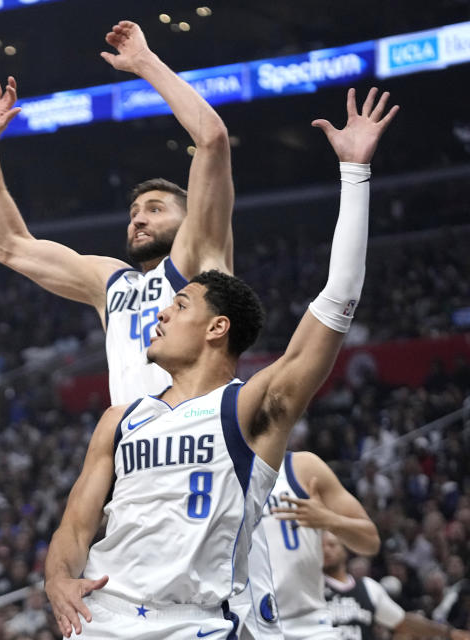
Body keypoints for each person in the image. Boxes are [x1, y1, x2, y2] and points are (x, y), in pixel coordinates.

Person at [43, 87, 398, 639]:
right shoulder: (120, 419)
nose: (160, 315)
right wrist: (57, 577)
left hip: (196, 623)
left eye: (178, 305)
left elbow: (338, 296)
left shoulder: (251, 409)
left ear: (217, 327)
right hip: (101, 620)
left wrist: (354, 173)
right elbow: (75, 525)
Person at [0, 20, 280, 638]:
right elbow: (11, 246)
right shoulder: (111, 282)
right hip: (136, 452)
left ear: (192, 218)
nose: (140, 218)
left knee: (228, 607)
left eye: (156, 208)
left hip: (206, 453)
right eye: (135, 210)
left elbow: (213, 139)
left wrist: (146, 64)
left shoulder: (200, 259)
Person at [261, 450, 379, 639]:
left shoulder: (303, 466)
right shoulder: (219, 468)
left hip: (308, 625)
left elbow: (370, 541)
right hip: (244, 624)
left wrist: (330, 520)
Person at [322, 532, 470, 639]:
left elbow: (403, 622)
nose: (326, 550)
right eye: (321, 547)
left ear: (345, 550)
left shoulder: (368, 587)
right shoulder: (311, 589)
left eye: (332, 545)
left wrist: (448, 632)